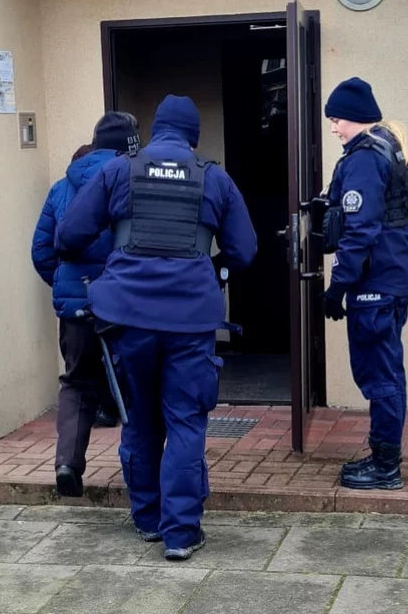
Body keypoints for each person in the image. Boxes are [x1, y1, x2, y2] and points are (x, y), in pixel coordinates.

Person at [56, 95, 256, 561]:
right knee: (186, 421)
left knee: (140, 418)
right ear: (193, 138)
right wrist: (211, 269)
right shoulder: (214, 178)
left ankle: (148, 520)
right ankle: (181, 534)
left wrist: (114, 264)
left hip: (128, 318)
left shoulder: (119, 171)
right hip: (190, 321)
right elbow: (244, 250)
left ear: (154, 131)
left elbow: (68, 235)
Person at [31, 113, 139, 498]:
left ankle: (67, 465)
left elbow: (42, 251)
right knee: (135, 382)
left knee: (77, 382)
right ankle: (139, 472)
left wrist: (66, 285)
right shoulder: (134, 181)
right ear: (129, 145)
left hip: (76, 307)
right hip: (124, 302)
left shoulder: (62, 187)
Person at [320, 77, 408, 491]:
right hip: (392, 275)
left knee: (381, 375)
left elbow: (359, 231)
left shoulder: (364, 159)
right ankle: (383, 456)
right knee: (386, 370)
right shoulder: (387, 147)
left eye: (336, 120)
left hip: (376, 281)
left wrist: (337, 287)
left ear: (356, 117)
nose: (333, 128)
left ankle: (385, 467)